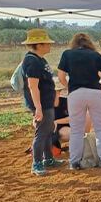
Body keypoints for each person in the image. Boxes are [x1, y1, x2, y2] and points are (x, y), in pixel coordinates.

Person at [57, 33, 101, 170]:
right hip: (95, 92)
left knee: (76, 130)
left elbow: (61, 76)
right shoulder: (95, 55)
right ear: (89, 43)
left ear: (74, 43)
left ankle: (74, 162)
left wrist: (69, 87)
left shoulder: (67, 54)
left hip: (76, 93)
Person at [21, 29, 63, 175]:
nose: (49, 45)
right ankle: (37, 164)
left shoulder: (39, 59)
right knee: (41, 133)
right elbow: (33, 86)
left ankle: (48, 159)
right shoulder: (32, 61)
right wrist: (38, 107)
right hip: (42, 104)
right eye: (47, 43)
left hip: (46, 102)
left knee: (47, 131)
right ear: (38, 45)